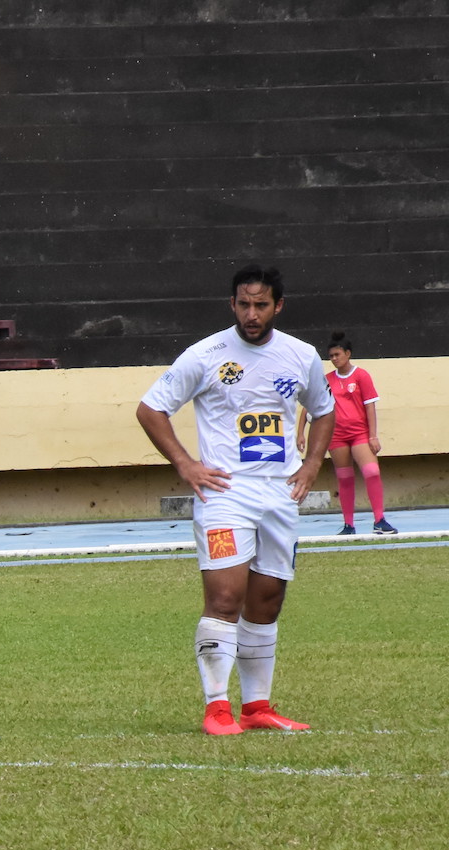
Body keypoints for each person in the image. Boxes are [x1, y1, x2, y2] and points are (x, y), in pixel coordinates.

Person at [136, 263, 334, 736]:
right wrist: (186, 464)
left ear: (277, 306)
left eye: (261, 304)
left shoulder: (300, 355)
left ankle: (257, 707)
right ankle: (217, 708)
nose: (251, 313)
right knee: (225, 597)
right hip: (225, 493)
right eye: (243, 304)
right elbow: (150, 409)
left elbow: (324, 410)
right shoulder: (206, 355)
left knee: (266, 601)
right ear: (232, 304)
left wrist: (311, 465)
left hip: (280, 494)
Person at [299, 332, 395, 535]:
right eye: (331, 356)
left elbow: (370, 407)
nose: (334, 359)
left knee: (372, 471)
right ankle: (348, 525)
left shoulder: (361, 376)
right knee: (344, 478)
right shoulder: (327, 380)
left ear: (347, 353)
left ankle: (379, 520)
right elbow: (308, 409)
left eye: (337, 354)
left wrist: (373, 435)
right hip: (337, 436)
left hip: (360, 434)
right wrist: (301, 433)